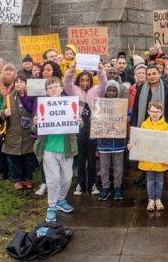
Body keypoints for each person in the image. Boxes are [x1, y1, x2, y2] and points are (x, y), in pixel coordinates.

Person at [32, 76, 81, 223]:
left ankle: (60, 200)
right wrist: (35, 123)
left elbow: (80, 124)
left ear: (61, 88)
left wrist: (79, 121)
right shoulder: (43, 105)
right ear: (46, 91)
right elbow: (34, 128)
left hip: (66, 148)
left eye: (56, 86)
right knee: (53, 180)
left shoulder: (69, 104)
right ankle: (51, 206)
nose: (53, 89)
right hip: (48, 148)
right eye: (50, 87)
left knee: (67, 178)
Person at [64, 63, 107, 196]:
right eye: (82, 80)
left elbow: (103, 85)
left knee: (92, 159)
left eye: (87, 80)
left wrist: (101, 71)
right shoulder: (74, 90)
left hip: (93, 127)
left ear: (90, 81)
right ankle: (80, 184)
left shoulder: (95, 90)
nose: (84, 82)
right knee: (81, 158)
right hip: (79, 128)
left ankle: (93, 184)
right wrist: (71, 71)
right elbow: (66, 83)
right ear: (78, 81)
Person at [128, 100, 168, 211]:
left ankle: (158, 199)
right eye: (152, 111)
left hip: (160, 159)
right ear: (148, 111)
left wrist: (167, 157)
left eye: (157, 111)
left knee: (160, 181)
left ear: (161, 112)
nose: (155, 113)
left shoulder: (165, 126)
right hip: (148, 159)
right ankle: (151, 199)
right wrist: (132, 145)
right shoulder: (144, 124)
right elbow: (139, 140)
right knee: (150, 180)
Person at [0, 74, 37, 190]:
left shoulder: (33, 97)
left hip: (28, 135)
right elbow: (1, 112)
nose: (19, 84)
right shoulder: (9, 97)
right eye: (17, 82)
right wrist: (4, 113)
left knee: (29, 159)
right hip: (13, 134)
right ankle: (17, 179)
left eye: (22, 82)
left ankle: (28, 178)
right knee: (13, 159)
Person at [97, 80, 126, 201]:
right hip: (104, 142)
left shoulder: (122, 104)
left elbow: (128, 115)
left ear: (117, 92)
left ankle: (117, 187)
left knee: (118, 167)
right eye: (109, 90)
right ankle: (105, 187)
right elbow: (95, 120)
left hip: (118, 142)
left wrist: (125, 118)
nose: (111, 92)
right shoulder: (99, 104)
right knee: (104, 167)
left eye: (114, 90)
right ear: (105, 91)